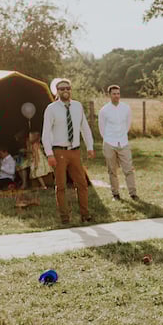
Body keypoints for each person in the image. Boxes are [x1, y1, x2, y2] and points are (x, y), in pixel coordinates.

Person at [42, 78, 95, 225]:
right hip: (59, 152)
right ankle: (64, 217)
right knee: (61, 186)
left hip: (75, 151)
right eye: (62, 89)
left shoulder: (77, 106)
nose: (65, 91)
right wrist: (49, 154)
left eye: (67, 88)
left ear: (71, 90)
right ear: (57, 92)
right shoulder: (51, 109)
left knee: (82, 184)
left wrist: (90, 147)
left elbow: (84, 127)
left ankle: (85, 215)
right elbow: (46, 133)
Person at [97, 84, 138, 201]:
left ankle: (133, 193)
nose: (116, 96)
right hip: (109, 143)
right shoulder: (104, 110)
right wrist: (109, 139)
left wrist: (121, 135)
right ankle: (115, 194)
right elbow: (102, 128)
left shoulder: (126, 108)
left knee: (128, 169)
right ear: (109, 95)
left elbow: (127, 124)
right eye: (114, 94)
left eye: (118, 93)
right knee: (112, 170)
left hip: (123, 142)